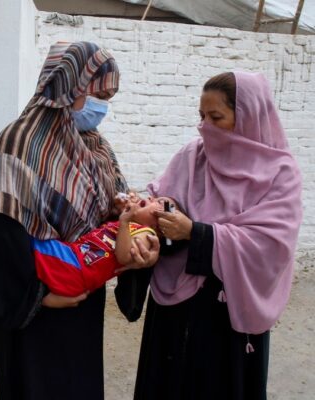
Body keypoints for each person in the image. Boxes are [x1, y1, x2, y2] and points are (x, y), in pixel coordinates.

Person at [0, 41, 159, 399]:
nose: (102, 105)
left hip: (83, 304)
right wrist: (39, 297)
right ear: (67, 85)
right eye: (98, 92)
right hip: (35, 312)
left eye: (110, 96)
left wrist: (139, 238)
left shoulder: (96, 147)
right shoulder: (18, 142)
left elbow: (113, 214)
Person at [115, 71, 303, 400]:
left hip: (226, 317)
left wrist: (198, 233)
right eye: (201, 116)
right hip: (174, 311)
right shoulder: (192, 155)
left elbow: (272, 247)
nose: (206, 127)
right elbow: (163, 202)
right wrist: (151, 215)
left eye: (217, 117)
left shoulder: (279, 173)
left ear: (247, 118)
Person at [0, 196, 173, 316]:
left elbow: (124, 257)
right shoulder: (133, 225)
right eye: (154, 198)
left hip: (75, 268)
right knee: (25, 254)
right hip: (74, 260)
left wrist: (124, 221)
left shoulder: (146, 235)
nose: (152, 199)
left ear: (161, 226)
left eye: (158, 206)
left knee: (25, 245)